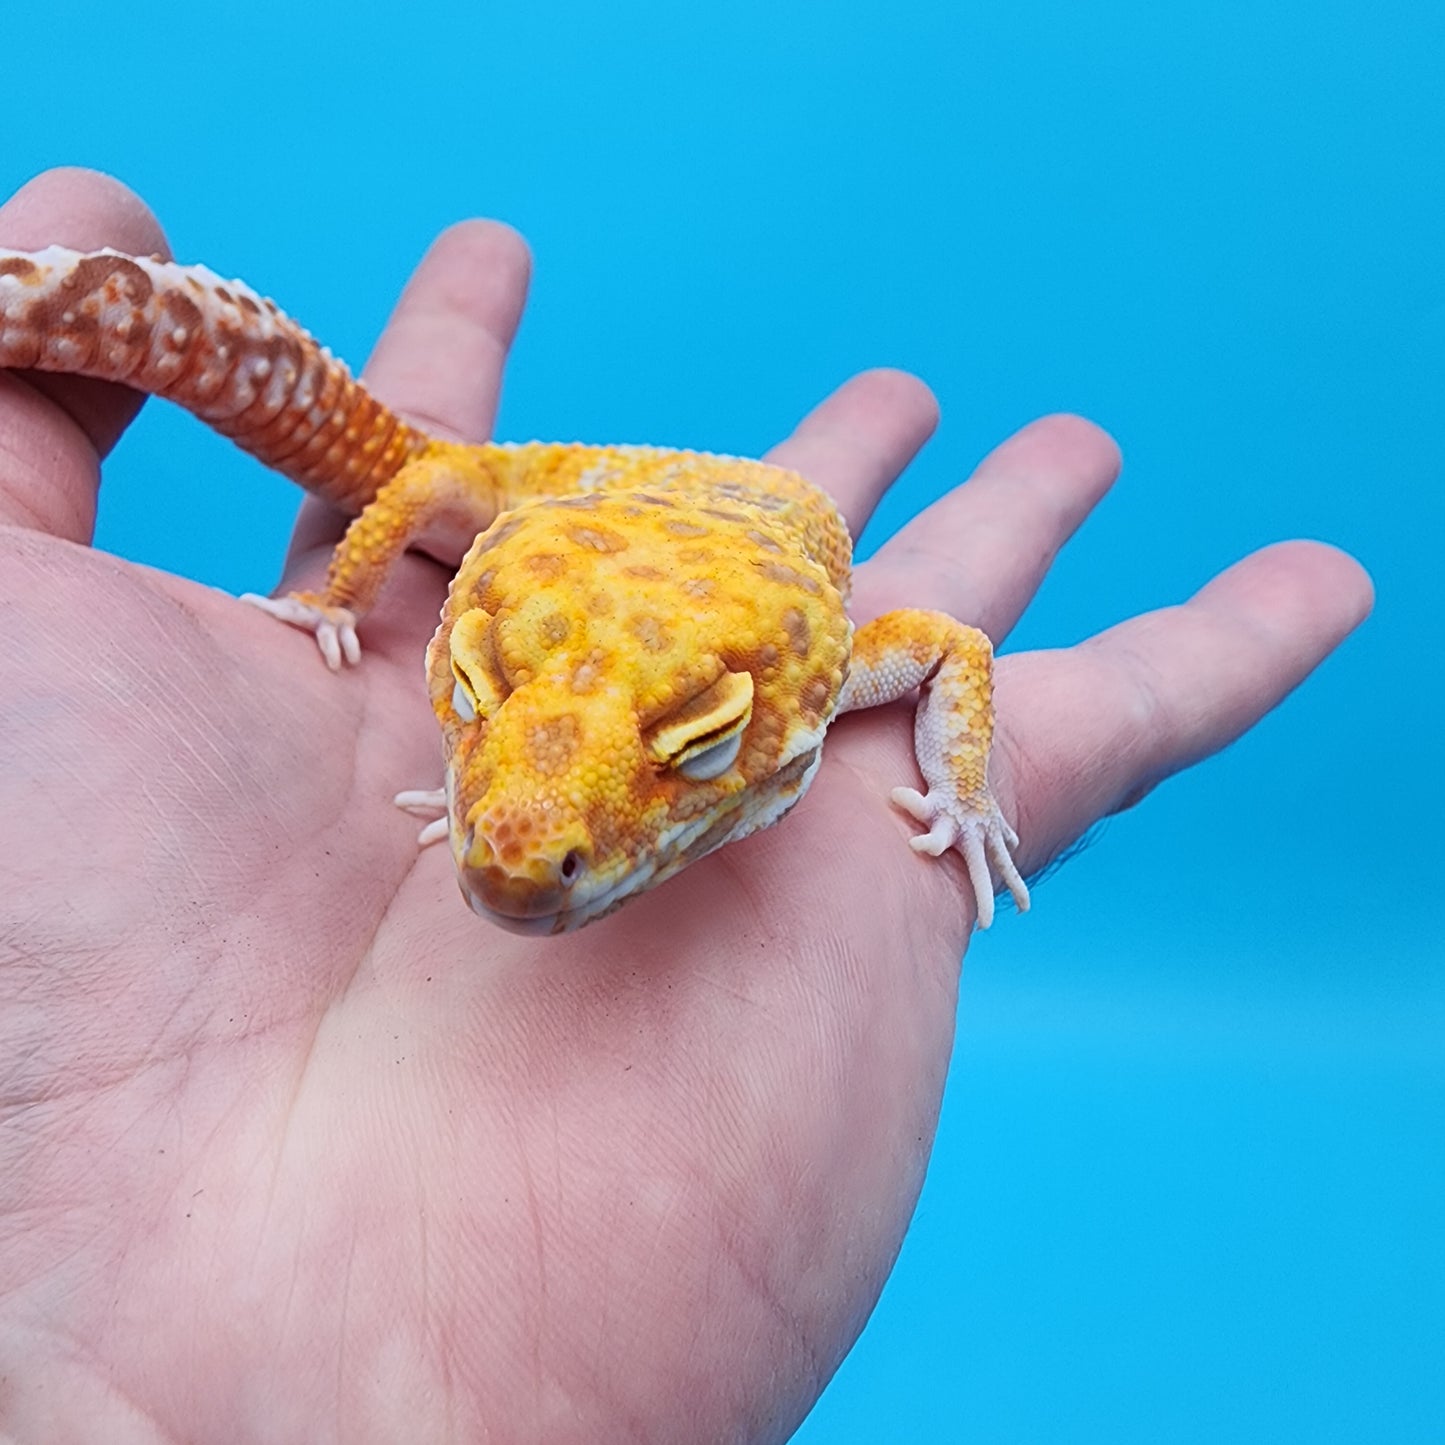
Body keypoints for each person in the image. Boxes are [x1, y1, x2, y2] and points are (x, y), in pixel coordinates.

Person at [0, 167, 1372, 1442]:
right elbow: (419, 482)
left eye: (697, 751)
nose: (520, 865)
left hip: (709, 545)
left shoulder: (831, 663)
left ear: (798, 693)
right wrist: (337, 608)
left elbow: (948, 648)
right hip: (590, 512)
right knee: (409, 481)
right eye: (482, 702)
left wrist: (962, 792)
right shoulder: (493, 555)